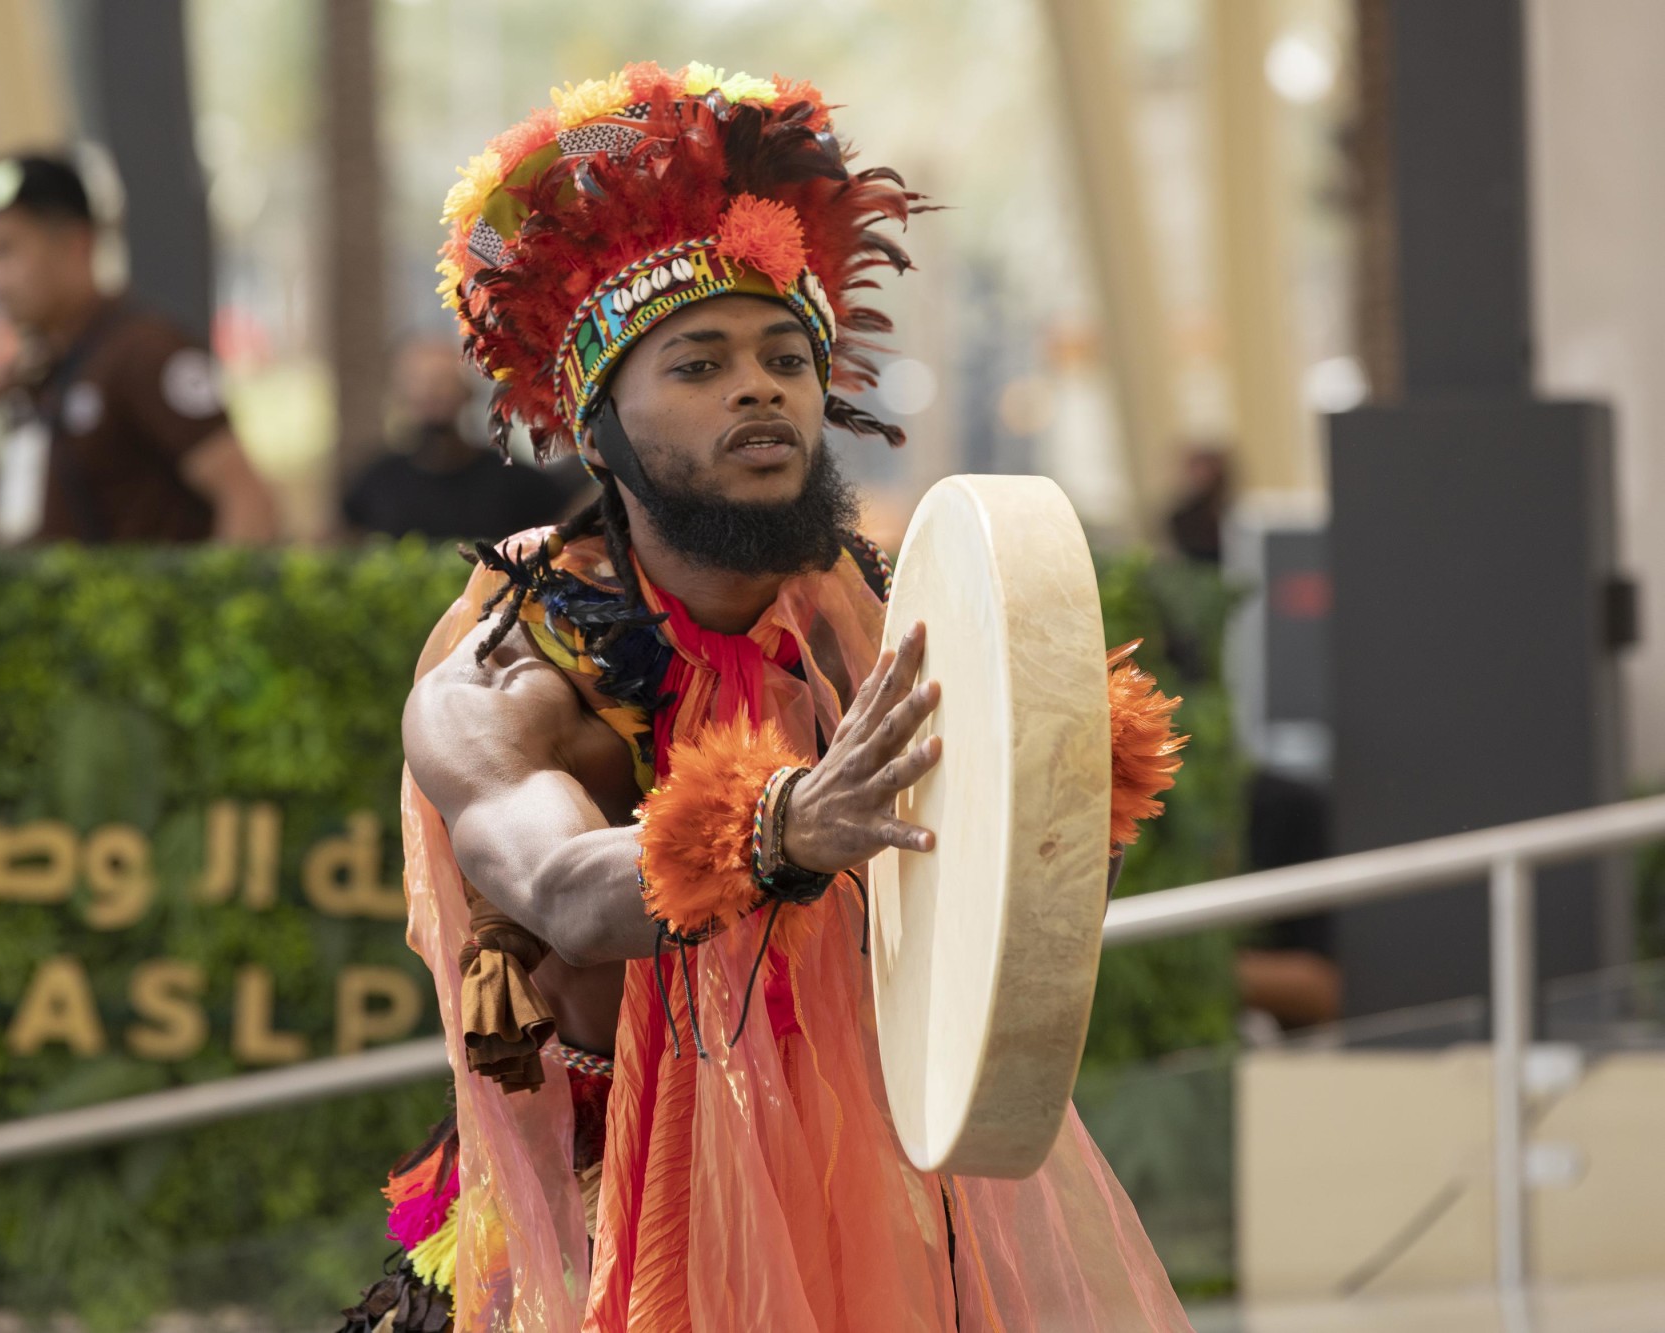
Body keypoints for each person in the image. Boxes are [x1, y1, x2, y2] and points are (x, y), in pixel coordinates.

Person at [342, 65, 1192, 1332]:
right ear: (598, 427)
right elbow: (565, 888)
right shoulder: (514, 664)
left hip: (857, 1208)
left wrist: (1061, 794)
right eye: (698, 362)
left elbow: (1015, 914)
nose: (761, 388)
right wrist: (772, 828)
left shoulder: (872, 616)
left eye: (786, 357)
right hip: (585, 1254)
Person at [0, 153, 279, 546]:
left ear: (75, 244)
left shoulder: (143, 350)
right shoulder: (32, 372)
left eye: (2, 252)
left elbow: (249, 502)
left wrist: (207, 605)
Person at [342, 335, 587, 542]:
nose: (432, 392)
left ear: (467, 392)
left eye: (443, 381)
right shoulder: (374, 484)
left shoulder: (516, 482)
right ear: (401, 394)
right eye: (420, 382)